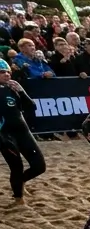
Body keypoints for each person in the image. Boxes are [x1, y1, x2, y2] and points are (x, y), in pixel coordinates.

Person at [0, 58, 44, 203]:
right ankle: (18, 198)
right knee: (16, 167)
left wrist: (22, 91)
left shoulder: (12, 89)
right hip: (4, 135)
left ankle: (21, 181)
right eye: (2, 72)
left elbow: (31, 107)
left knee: (39, 166)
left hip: (23, 132)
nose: (7, 74)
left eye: (8, 72)